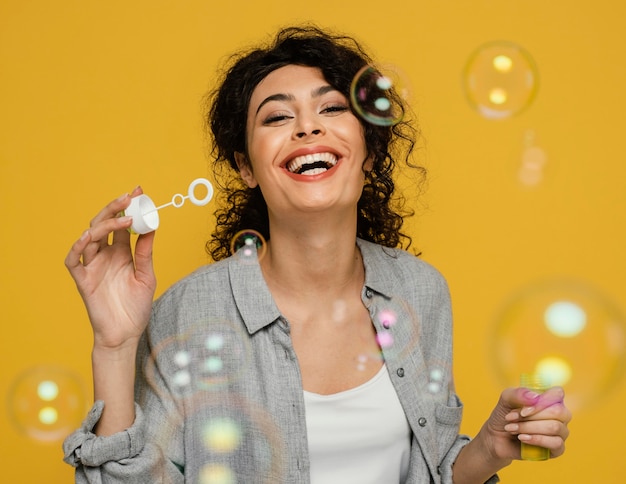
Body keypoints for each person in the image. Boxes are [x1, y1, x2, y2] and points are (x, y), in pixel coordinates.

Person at [63, 25, 571, 483]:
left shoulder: (420, 290)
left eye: (331, 108)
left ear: (368, 149)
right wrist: (113, 347)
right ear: (246, 167)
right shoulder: (185, 311)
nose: (307, 128)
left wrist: (488, 448)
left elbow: (430, 470)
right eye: (278, 116)